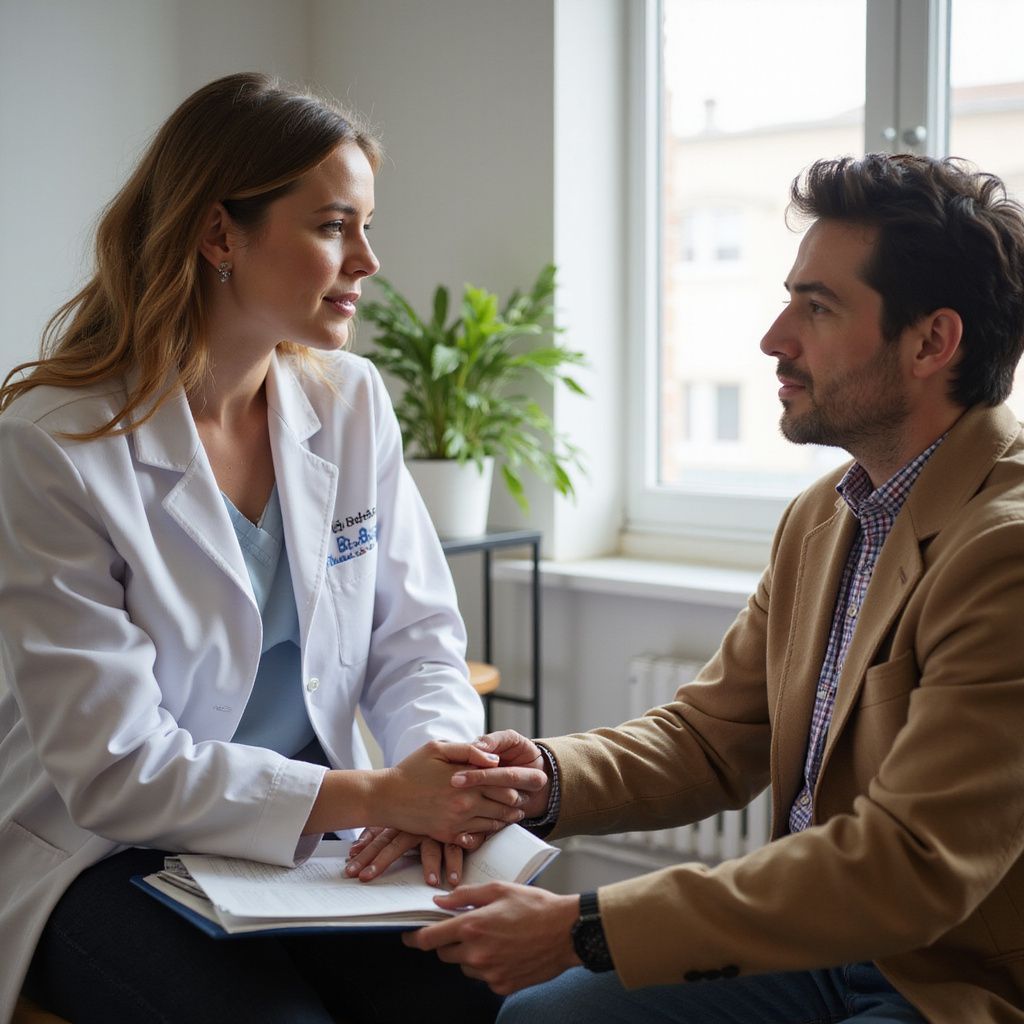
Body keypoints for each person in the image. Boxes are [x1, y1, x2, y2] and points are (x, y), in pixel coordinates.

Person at [356, 153, 1024, 1022]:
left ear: (932, 342)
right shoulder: (825, 516)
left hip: (948, 978)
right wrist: (542, 781)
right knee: (536, 1020)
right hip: (815, 947)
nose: (775, 338)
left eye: (816, 308)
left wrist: (583, 928)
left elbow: (908, 866)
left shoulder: (1004, 553)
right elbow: (711, 738)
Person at [0, 72, 543, 1024]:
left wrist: (439, 781)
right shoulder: (52, 444)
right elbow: (115, 768)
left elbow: (415, 637)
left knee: (470, 991)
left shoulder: (349, 400)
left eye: (367, 226)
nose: (369, 260)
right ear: (219, 236)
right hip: (101, 855)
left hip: (303, 842)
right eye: (335, 226)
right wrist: (376, 790)